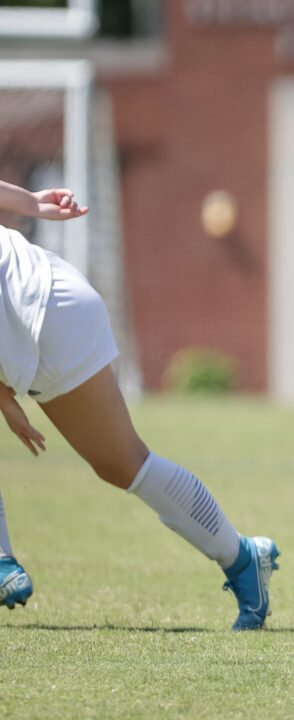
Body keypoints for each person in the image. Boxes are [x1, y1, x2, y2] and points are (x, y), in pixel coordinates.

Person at [0, 180, 278, 629]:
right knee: (120, 465)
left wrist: (32, 204)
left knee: (129, 460)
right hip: (42, 313)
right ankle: (244, 557)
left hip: (44, 307)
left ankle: (0, 562)